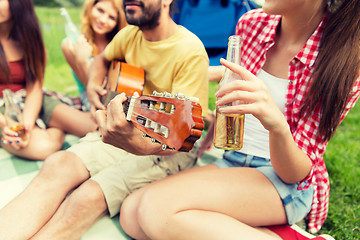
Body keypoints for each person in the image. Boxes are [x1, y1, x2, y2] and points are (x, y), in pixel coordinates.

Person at [118, 0, 360, 239]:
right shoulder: (253, 24)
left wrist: (276, 125)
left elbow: (295, 173)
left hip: (285, 182)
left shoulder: (343, 60)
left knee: (156, 209)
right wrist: (205, 73)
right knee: (131, 212)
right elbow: (242, 74)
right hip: (233, 160)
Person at [0, 0, 208, 238]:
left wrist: (136, 144)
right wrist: (92, 86)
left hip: (167, 149)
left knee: (89, 195)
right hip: (127, 129)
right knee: (58, 165)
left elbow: (181, 139)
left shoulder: (190, 51)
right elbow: (100, 61)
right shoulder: (129, 35)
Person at [0, 0, 97, 161]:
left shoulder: (30, 41)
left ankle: (49, 126)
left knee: (93, 126)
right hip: (3, 107)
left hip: (31, 98)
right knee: (44, 147)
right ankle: (55, 129)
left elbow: (35, 87)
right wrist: (6, 125)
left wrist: (27, 124)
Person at [61, 0, 127, 111]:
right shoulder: (71, 44)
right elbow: (91, 90)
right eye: (100, 10)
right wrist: (82, 61)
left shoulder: (118, 44)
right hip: (92, 104)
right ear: (90, 7)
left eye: (112, 17)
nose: (103, 20)